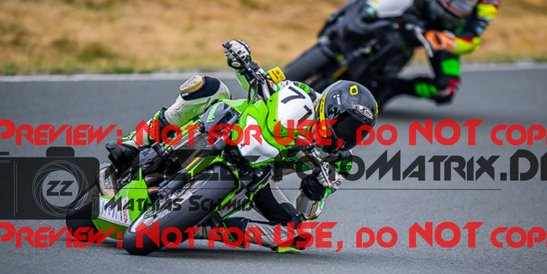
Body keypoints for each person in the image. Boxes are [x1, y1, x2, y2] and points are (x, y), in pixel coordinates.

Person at [106, 40, 378, 252]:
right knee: (206, 87)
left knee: (296, 236)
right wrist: (242, 60)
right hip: (235, 127)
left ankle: (207, 228)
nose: (348, 136)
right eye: (347, 125)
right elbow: (264, 82)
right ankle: (135, 142)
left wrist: (314, 190)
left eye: (358, 132)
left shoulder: (340, 161)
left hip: (260, 174)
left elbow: (308, 211)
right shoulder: (302, 94)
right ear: (331, 110)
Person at [380, 0, 500, 105]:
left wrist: (446, 41)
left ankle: (391, 87)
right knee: (385, 1)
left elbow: (472, 40)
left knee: (447, 89)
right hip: (420, 7)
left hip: (445, 35)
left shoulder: (489, 0)